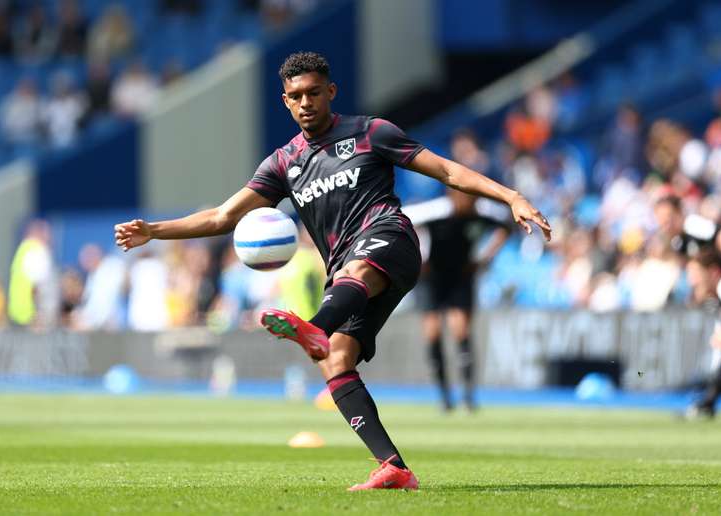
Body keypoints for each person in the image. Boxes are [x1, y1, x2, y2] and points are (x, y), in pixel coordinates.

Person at [114, 52, 551, 490]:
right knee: (335, 359)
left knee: (353, 277)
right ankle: (394, 466)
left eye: (313, 93)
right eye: (296, 96)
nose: (306, 103)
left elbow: (446, 170)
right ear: (285, 101)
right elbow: (222, 217)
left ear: (331, 92)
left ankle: (314, 326)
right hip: (346, 271)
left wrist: (510, 195)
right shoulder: (283, 164)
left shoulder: (370, 133)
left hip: (391, 239)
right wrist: (154, 230)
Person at [403, 184, 511, 412]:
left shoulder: (481, 214)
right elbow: (405, 222)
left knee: (461, 330)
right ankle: (444, 396)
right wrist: (417, 256)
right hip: (432, 279)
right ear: (453, 196)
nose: (469, 204)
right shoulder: (437, 212)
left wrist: (485, 258)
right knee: (433, 333)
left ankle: (468, 395)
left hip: (461, 277)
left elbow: (506, 226)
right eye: (465, 198)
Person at [683, 247, 721, 419]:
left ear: (713, 272)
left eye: (696, 274)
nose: (691, 281)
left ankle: (708, 402)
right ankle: (708, 403)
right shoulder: (717, 297)